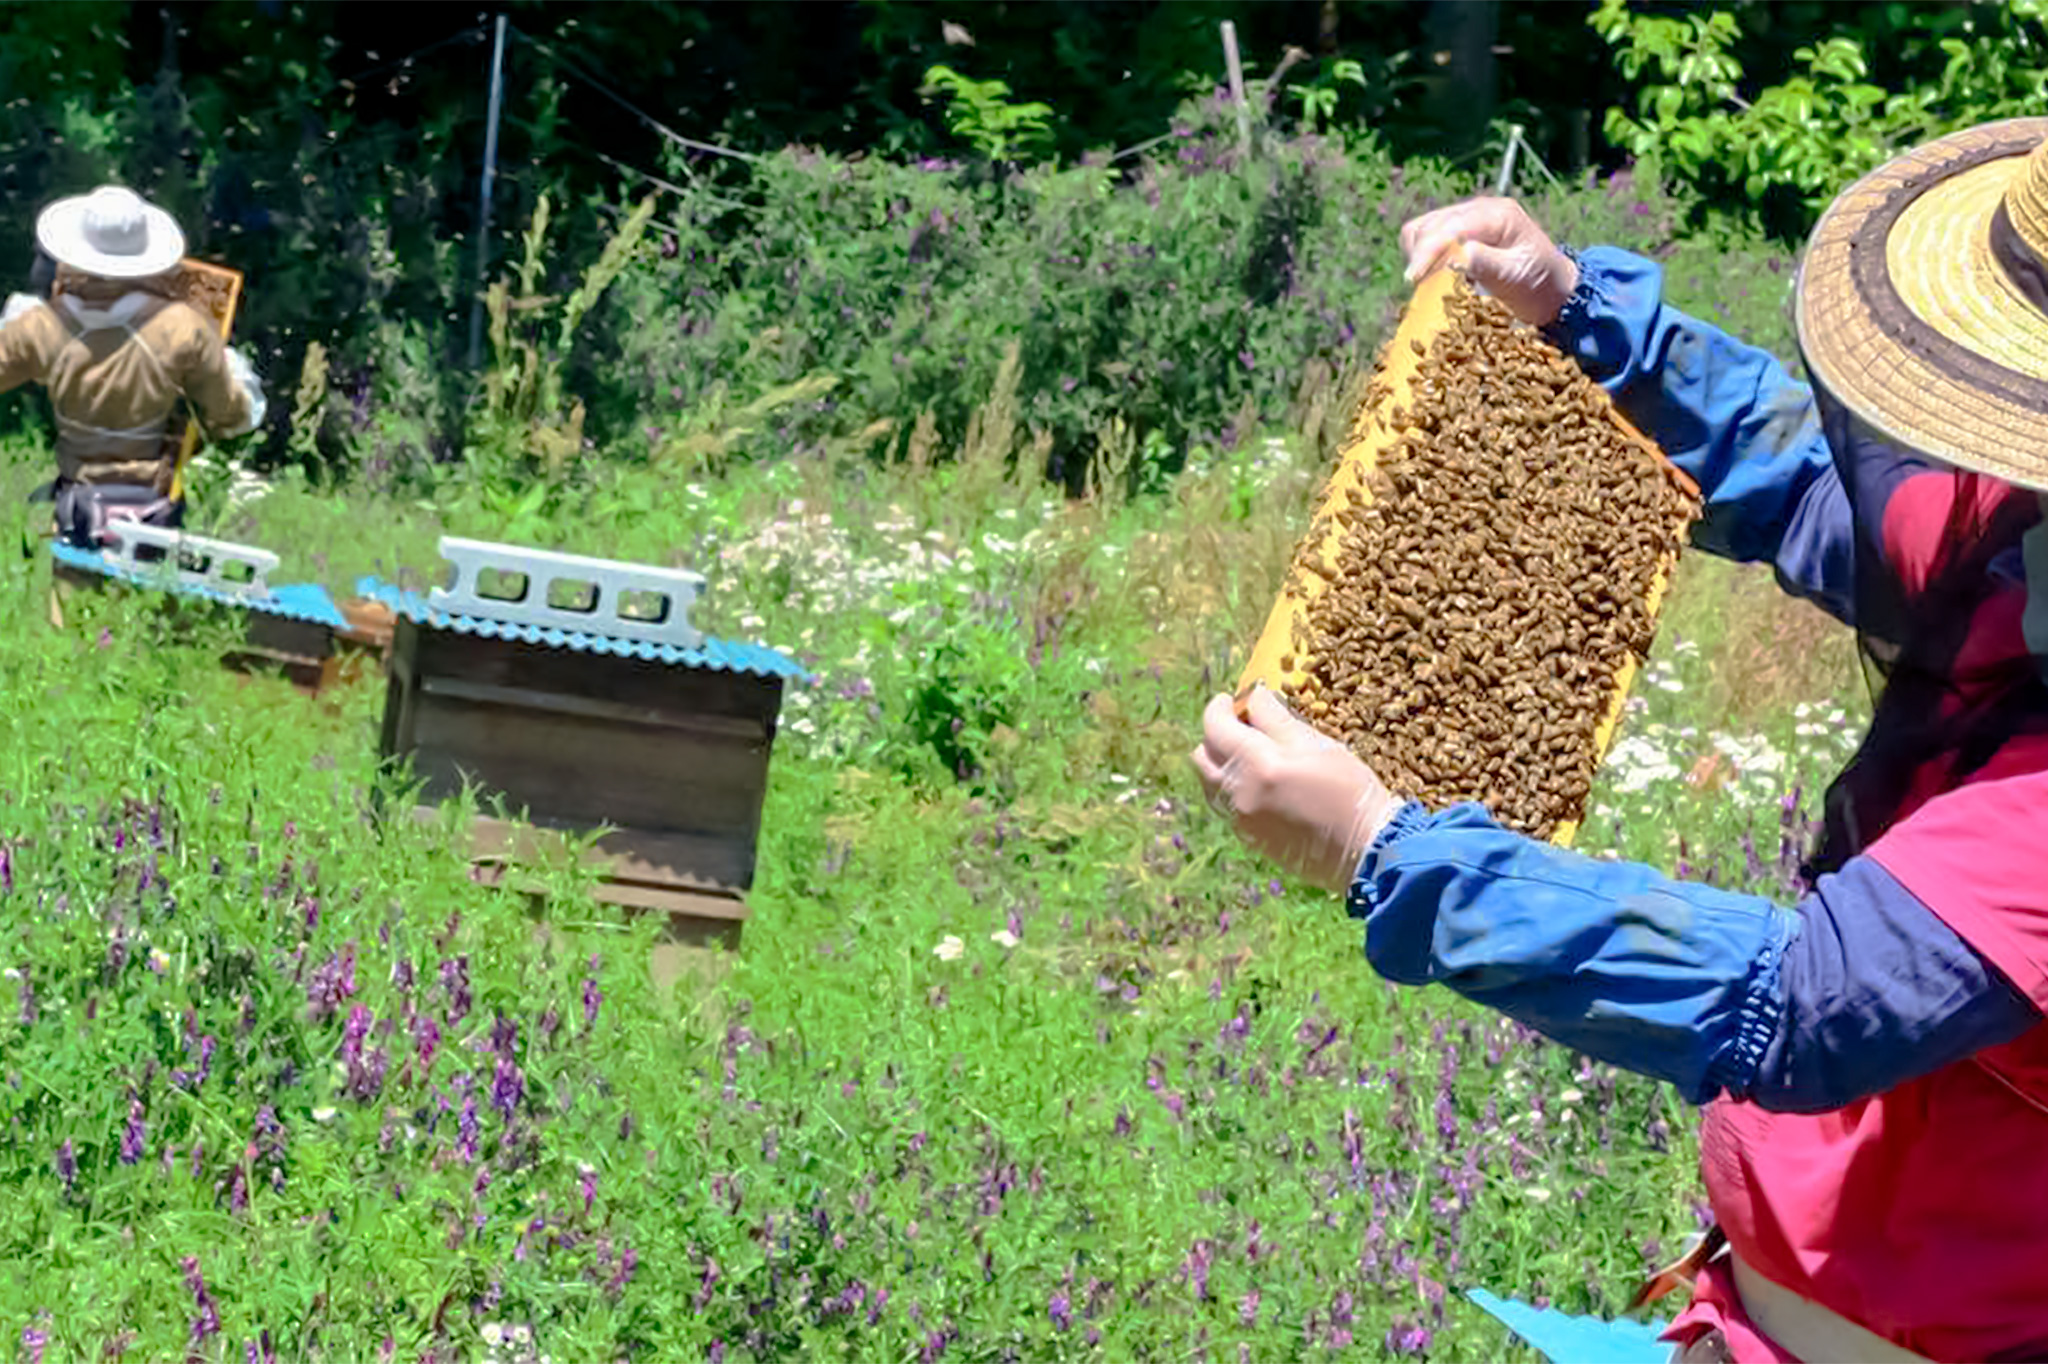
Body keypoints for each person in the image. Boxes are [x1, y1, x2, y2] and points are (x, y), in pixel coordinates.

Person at [1194, 116, 2048, 1364]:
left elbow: (1800, 1002)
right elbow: (1836, 500)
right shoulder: (2017, 538)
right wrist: (1586, 321)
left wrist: (1390, 852)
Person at [0, 185, 265, 549]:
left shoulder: (42, 327)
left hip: (74, 507)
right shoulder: (184, 329)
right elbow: (231, 418)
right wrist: (236, 372)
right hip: (154, 514)